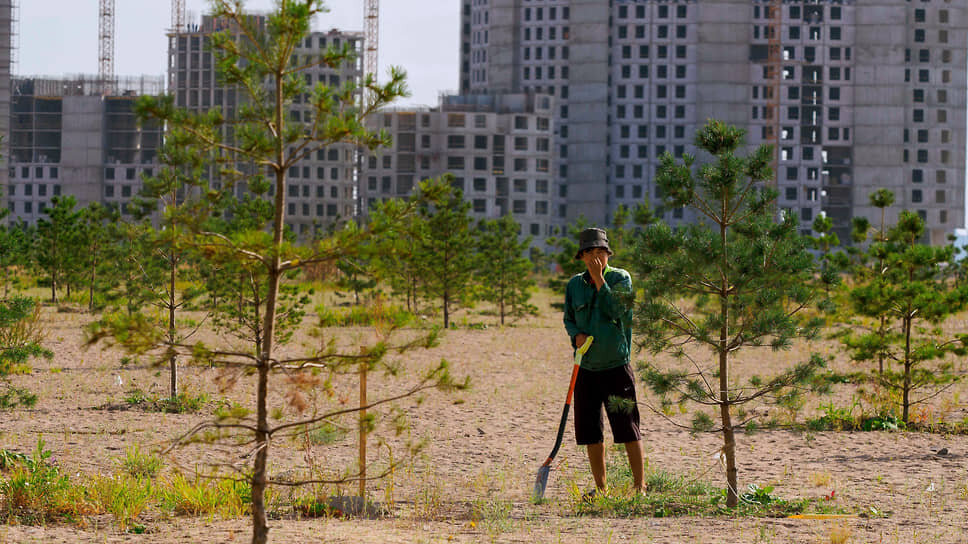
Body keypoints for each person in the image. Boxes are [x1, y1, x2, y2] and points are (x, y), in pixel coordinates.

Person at [563, 227, 644, 495]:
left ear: (608, 253)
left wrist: (600, 280)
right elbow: (569, 319)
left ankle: (639, 486)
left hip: (616, 366)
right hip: (586, 367)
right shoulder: (574, 285)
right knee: (590, 431)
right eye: (589, 253)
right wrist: (576, 335)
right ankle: (601, 488)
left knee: (627, 427)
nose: (595, 258)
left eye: (600, 252)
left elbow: (617, 311)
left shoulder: (621, 279)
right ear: (582, 256)